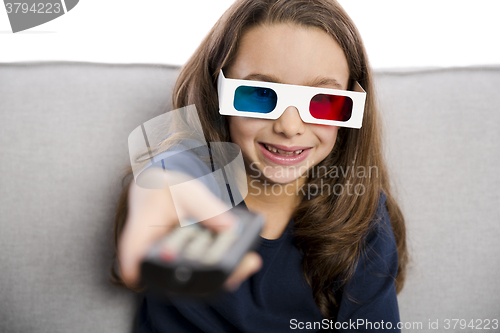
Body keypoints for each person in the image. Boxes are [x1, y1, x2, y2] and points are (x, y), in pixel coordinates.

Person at [110, 0, 408, 332]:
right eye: (260, 94)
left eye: (324, 101)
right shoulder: (184, 185)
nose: (289, 126)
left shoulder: (360, 214)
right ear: (216, 92)